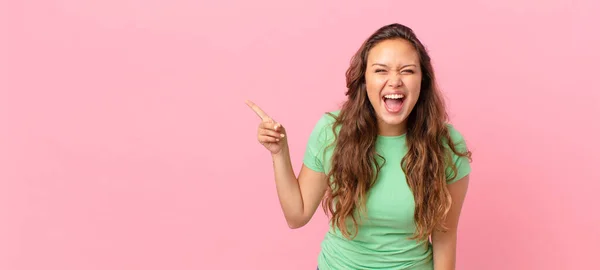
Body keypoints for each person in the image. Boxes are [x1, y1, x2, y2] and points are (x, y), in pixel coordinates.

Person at [245, 23, 472, 270]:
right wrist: (280, 153)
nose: (394, 81)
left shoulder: (446, 145)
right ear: (364, 79)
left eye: (407, 71)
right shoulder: (332, 132)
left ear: (423, 80)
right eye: (380, 70)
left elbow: (445, 237)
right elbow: (296, 215)